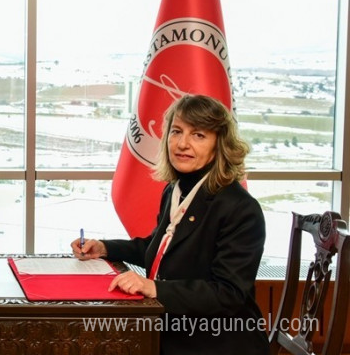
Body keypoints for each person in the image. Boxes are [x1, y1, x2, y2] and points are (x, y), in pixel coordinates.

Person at [71, 94, 267, 354]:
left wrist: (154, 287)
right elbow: (159, 250)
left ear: (220, 145)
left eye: (198, 135)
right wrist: (105, 248)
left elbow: (228, 293)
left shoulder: (240, 209)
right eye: (177, 131)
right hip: (169, 326)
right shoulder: (175, 190)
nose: (183, 143)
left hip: (215, 341)